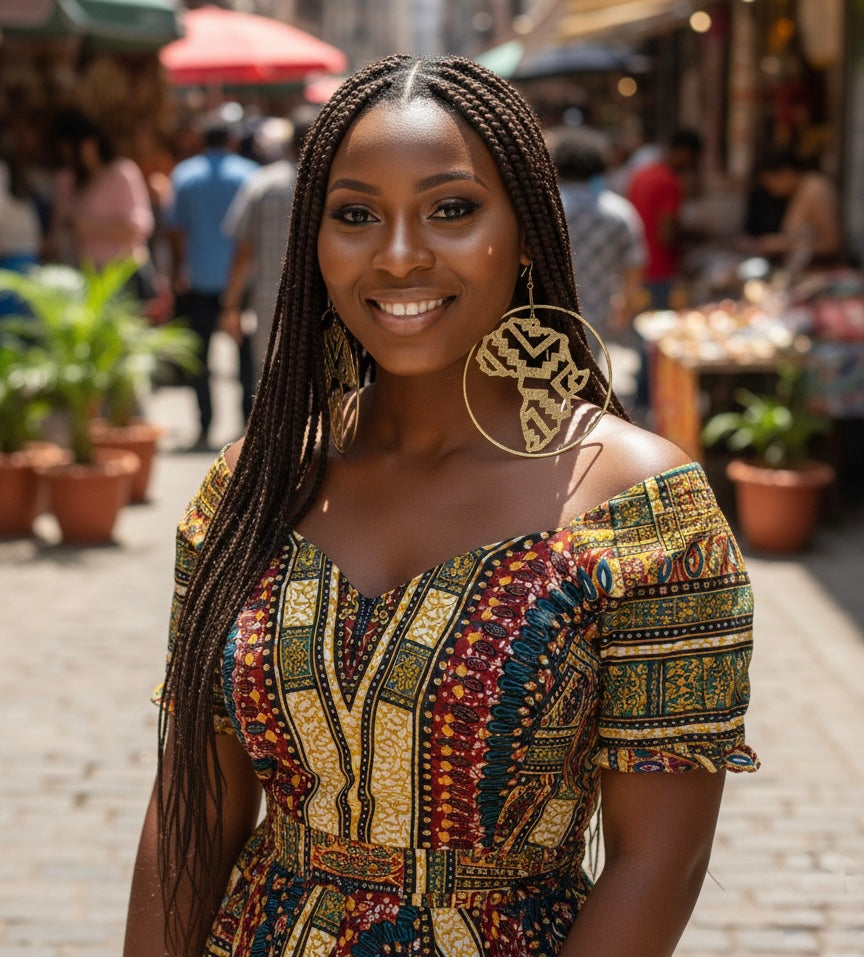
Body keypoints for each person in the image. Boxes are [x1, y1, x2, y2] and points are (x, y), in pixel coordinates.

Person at [124, 55, 758, 957]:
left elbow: (658, 863)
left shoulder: (645, 513)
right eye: (356, 215)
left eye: (451, 209)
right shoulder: (254, 483)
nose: (398, 254)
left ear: (527, 231)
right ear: (314, 241)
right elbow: (194, 802)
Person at [166, 117, 259, 451]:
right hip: (242, 282)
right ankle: (249, 427)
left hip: (199, 280)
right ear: (231, 141)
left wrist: (177, 270)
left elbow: (176, 230)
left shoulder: (185, 174)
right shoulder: (250, 174)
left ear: (201, 141)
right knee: (247, 357)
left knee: (199, 358)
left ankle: (205, 426)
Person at [220, 108, 318, 376]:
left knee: (273, 384)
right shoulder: (336, 185)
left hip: (271, 309)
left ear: (289, 144)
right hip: (328, 307)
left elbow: (243, 251)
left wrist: (231, 306)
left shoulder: (262, 184)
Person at [550, 126, 646, 351]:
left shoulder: (547, 209)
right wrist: (625, 304)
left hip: (547, 312)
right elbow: (634, 264)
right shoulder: (620, 212)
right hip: (597, 315)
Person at [48, 111, 155, 296]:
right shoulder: (69, 180)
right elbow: (58, 228)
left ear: (91, 144)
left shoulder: (121, 173)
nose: (70, 159)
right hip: (84, 275)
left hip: (123, 275)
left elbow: (139, 227)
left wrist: (89, 228)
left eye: (73, 152)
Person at [627, 128, 703, 310]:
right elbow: (667, 233)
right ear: (685, 152)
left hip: (637, 267)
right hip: (659, 270)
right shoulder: (669, 182)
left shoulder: (641, 174)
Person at [751, 149, 841, 267]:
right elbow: (802, 236)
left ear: (785, 173)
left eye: (772, 183)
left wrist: (780, 245)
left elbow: (831, 243)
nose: (772, 191)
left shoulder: (814, 188)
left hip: (819, 271)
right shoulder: (800, 190)